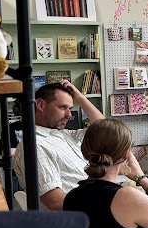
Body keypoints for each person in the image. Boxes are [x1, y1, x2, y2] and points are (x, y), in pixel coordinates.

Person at [13, 80, 105, 211]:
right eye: (62, 107)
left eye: (70, 109)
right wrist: (106, 203)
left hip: (94, 205)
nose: (69, 115)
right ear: (40, 105)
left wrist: (79, 96)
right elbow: (55, 202)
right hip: (82, 219)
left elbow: (105, 130)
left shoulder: (63, 134)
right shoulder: (36, 145)